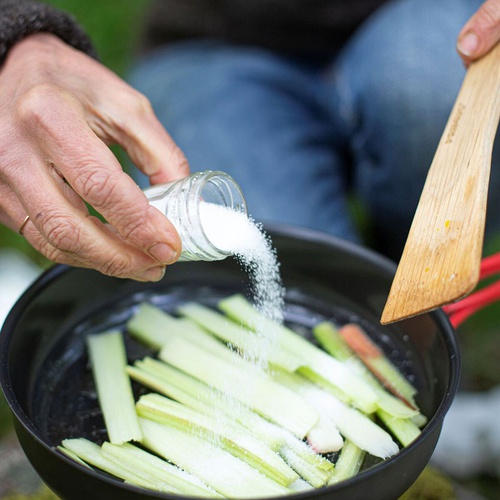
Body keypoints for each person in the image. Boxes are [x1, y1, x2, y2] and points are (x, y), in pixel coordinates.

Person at [0, 1, 499, 281]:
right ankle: (376, 292)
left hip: (430, 14)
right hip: (215, 43)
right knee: (286, 280)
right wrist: (15, 39)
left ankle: (415, 272)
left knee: (433, 90)